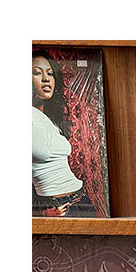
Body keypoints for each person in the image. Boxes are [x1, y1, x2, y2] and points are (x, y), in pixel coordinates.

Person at [32, 52, 97, 217]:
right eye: (37, 73)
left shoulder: (48, 119)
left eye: (50, 74)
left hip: (81, 200)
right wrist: (41, 212)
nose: (46, 79)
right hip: (57, 208)